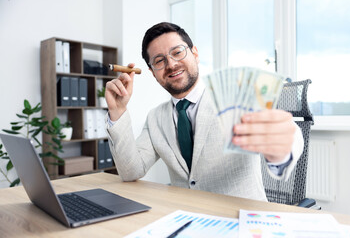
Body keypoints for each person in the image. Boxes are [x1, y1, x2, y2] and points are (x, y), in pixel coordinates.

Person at [105, 22, 303, 201]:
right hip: (186, 221)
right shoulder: (155, 118)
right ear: (152, 72)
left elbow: (288, 133)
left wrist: (281, 151)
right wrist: (118, 111)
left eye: (177, 52)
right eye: (159, 60)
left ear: (195, 54)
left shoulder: (236, 96)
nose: (171, 64)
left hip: (240, 221)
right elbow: (130, 171)